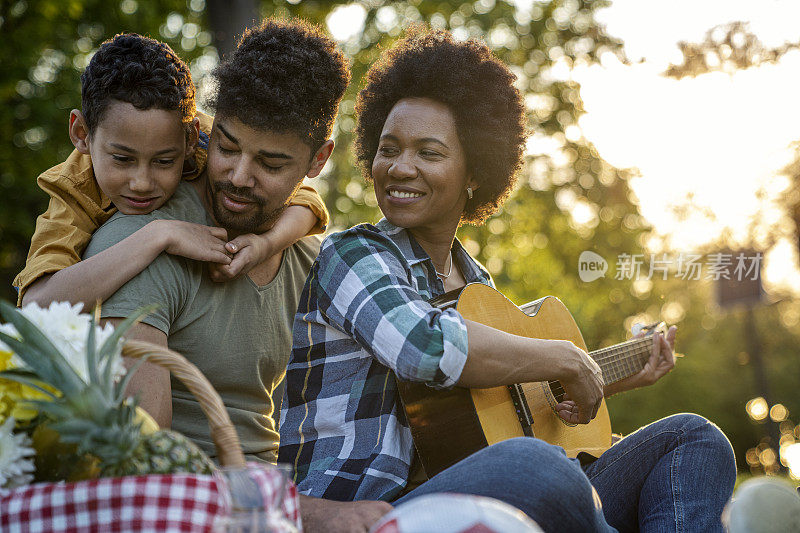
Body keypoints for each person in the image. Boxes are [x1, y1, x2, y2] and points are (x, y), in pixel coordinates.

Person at [278, 29, 737, 532]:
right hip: (366, 507)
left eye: (428, 153)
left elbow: (506, 417)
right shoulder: (354, 253)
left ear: (476, 173)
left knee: (693, 440)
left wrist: (608, 375)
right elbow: (422, 347)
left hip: (468, 482)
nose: (399, 168)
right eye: (389, 149)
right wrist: (566, 359)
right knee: (538, 468)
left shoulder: (476, 285)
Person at [12, 33, 328, 309]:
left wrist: (266, 245)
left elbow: (305, 200)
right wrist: (160, 234)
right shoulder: (73, 188)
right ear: (81, 134)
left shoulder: (214, 141)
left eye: (164, 161)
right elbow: (36, 304)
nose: (141, 183)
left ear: (190, 140)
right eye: (122, 159)